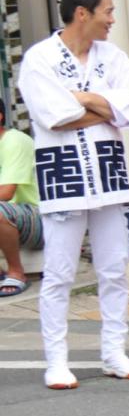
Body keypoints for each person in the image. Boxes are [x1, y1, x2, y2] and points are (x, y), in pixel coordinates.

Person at [17, 0, 129, 389]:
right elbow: (51, 114)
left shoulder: (113, 57)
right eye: (107, 11)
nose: (112, 19)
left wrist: (87, 99)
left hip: (108, 172)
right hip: (64, 173)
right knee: (59, 273)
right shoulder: (40, 59)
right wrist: (106, 107)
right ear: (82, 13)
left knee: (113, 269)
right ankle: (56, 359)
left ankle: (114, 351)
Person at [0, 102, 41, 297]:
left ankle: (16, 272)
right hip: (12, 216)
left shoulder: (14, 141)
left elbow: (6, 193)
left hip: (41, 219)